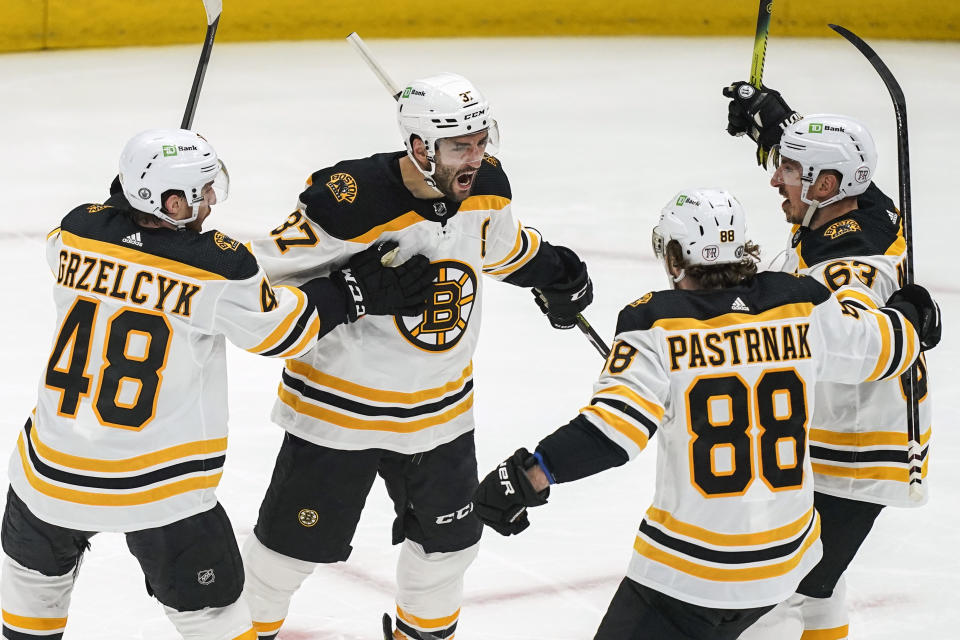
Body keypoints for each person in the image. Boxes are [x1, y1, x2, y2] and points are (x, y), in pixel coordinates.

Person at [0, 128, 434, 640]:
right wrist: (351, 292)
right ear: (168, 200)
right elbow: (282, 332)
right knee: (217, 622)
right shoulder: (215, 267)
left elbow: (98, 239)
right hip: (158, 488)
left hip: (49, 476)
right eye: (199, 191)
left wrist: (126, 208)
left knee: (31, 606)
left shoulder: (74, 232)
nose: (209, 200)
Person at [473, 187, 941, 640]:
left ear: (675, 258)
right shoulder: (802, 305)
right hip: (783, 569)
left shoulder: (653, 325)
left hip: (689, 576)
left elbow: (609, 435)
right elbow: (881, 348)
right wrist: (909, 313)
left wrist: (527, 475)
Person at [239, 72, 594, 640]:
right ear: (420, 146)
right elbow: (253, 292)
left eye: (482, 140)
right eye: (461, 146)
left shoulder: (486, 186)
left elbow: (498, 245)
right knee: (282, 560)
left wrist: (553, 269)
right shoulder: (349, 203)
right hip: (339, 414)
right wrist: (350, 293)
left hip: (440, 412)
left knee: (447, 554)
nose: (476, 157)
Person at [722, 82, 937, 639]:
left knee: (772, 597)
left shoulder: (847, 263)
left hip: (856, 452)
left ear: (827, 184)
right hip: (844, 437)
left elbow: (851, 346)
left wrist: (906, 325)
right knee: (819, 594)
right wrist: (778, 124)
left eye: (789, 168)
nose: (775, 178)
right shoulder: (864, 208)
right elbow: (843, 172)